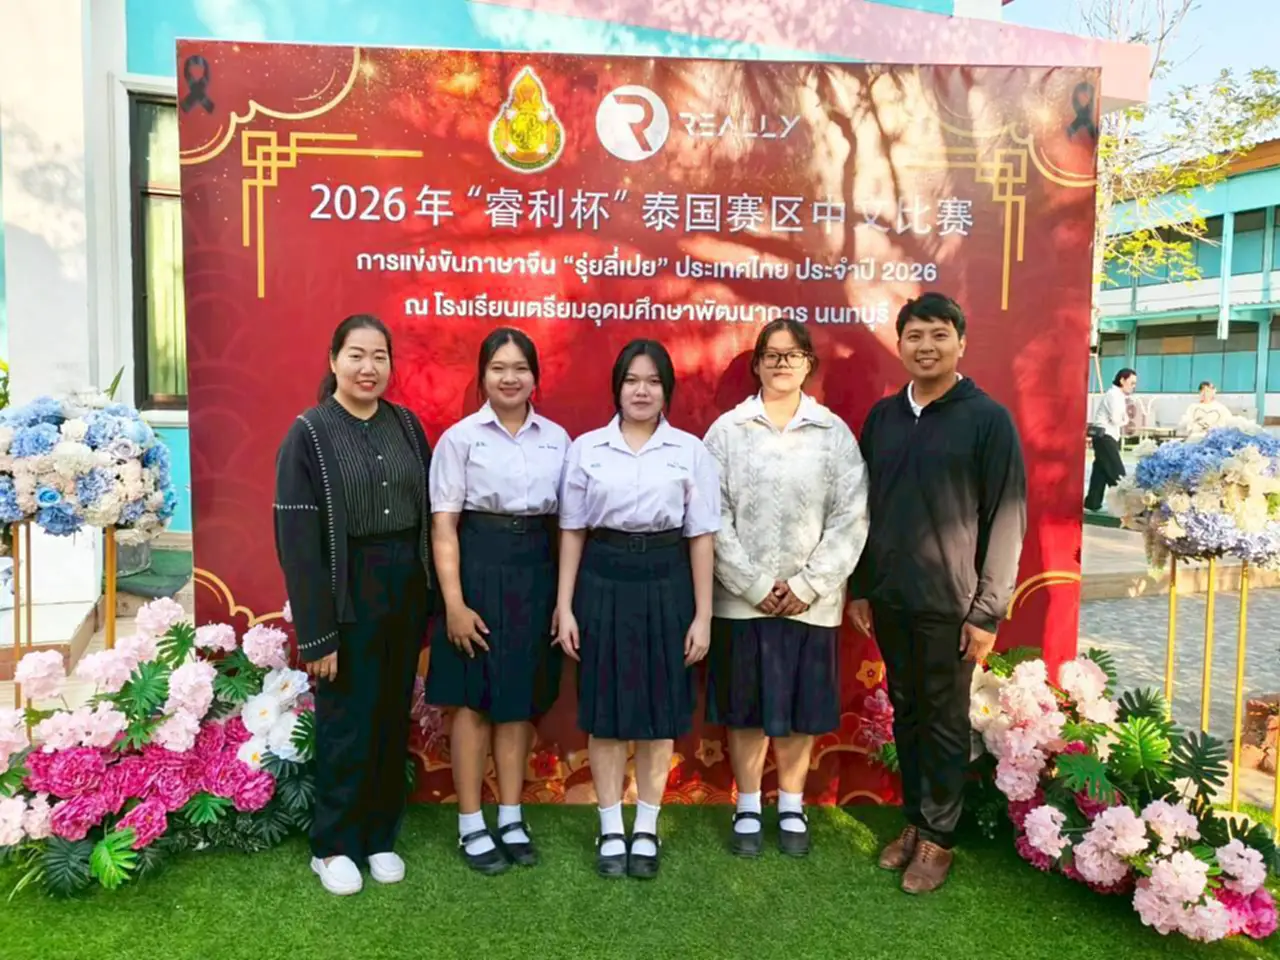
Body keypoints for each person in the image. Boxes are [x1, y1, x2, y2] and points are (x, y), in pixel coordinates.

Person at [847, 293, 1026, 895]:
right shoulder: (883, 418)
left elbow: (1007, 517)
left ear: (961, 342)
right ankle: (916, 821)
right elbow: (865, 509)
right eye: (915, 336)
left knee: (945, 722)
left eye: (939, 335)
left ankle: (939, 840)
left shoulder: (987, 419)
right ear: (900, 345)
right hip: (891, 597)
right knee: (907, 713)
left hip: (953, 604)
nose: (926, 347)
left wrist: (987, 611)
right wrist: (862, 587)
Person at [273, 314, 434, 897]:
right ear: (334, 360)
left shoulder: (408, 427)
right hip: (347, 590)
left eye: (379, 356)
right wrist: (318, 634)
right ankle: (334, 845)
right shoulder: (309, 433)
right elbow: (297, 543)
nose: (369, 368)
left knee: (391, 716)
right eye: (357, 355)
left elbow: (430, 516)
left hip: (404, 588)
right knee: (347, 721)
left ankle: (378, 836)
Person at [553, 339, 720, 880]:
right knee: (604, 712)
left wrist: (702, 616)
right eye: (631, 380)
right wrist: (565, 606)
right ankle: (610, 826)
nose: (641, 391)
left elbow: (701, 536)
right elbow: (572, 530)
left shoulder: (689, 451)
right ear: (617, 388)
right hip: (602, 579)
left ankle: (645, 827)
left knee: (658, 713)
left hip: (667, 580)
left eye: (652, 381)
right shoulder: (587, 449)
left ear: (666, 390)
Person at [702, 319, 868, 858]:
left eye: (792, 355)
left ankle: (792, 804)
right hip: (741, 602)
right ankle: (748, 805)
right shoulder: (727, 431)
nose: (781, 364)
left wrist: (808, 583)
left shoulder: (832, 433)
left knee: (800, 709)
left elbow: (851, 516)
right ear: (756, 364)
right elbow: (710, 514)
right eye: (771, 355)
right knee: (746, 710)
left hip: (810, 603)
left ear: (808, 364)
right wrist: (752, 584)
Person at [426, 328, 569, 874]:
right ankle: (470, 823)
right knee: (473, 703)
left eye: (520, 369)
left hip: (536, 570)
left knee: (519, 701)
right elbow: (444, 526)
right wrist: (455, 604)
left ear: (536, 377)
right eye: (498, 368)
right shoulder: (460, 439)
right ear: (482, 375)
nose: (510, 378)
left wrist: (561, 598)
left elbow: (570, 524)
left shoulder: (558, 439)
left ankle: (511, 816)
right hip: (477, 568)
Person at [1084, 368, 1136, 512]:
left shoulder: (1118, 396)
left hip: (1106, 436)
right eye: (1131, 383)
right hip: (1105, 437)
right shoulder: (1113, 395)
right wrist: (1125, 419)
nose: (1133, 386)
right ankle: (1127, 505)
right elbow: (1116, 419)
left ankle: (1092, 502)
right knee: (1117, 472)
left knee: (1100, 471)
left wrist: (1124, 418)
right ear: (1122, 380)